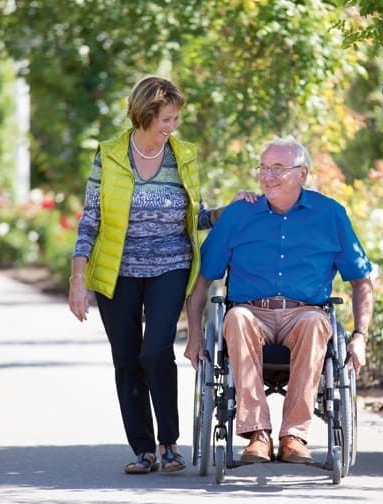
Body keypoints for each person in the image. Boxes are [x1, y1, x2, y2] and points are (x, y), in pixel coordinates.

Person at [68, 76, 254, 475]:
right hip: (117, 271)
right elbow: (90, 221)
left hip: (171, 265)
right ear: (144, 115)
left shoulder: (182, 155)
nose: (172, 126)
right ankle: (143, 449)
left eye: (175, 119)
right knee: (126, 359)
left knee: (155, 351)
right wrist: (77, 279)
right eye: (166, 119)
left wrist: (228, 210)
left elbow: (195, 216)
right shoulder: (110, 155)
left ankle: (169, 442)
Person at [184, 137, 374, 464]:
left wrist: (360, 337)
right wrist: (195, 335)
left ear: (302, 173)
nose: (267, 176)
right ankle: (257, 434)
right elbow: (202, 281)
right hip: (250, 312)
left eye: (277, 168)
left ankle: (293, 436)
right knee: (237, 318)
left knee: (316, 323)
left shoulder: (330, 215)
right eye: (263, 168)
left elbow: (362, 280)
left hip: (304, 314)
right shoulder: (239, 214)